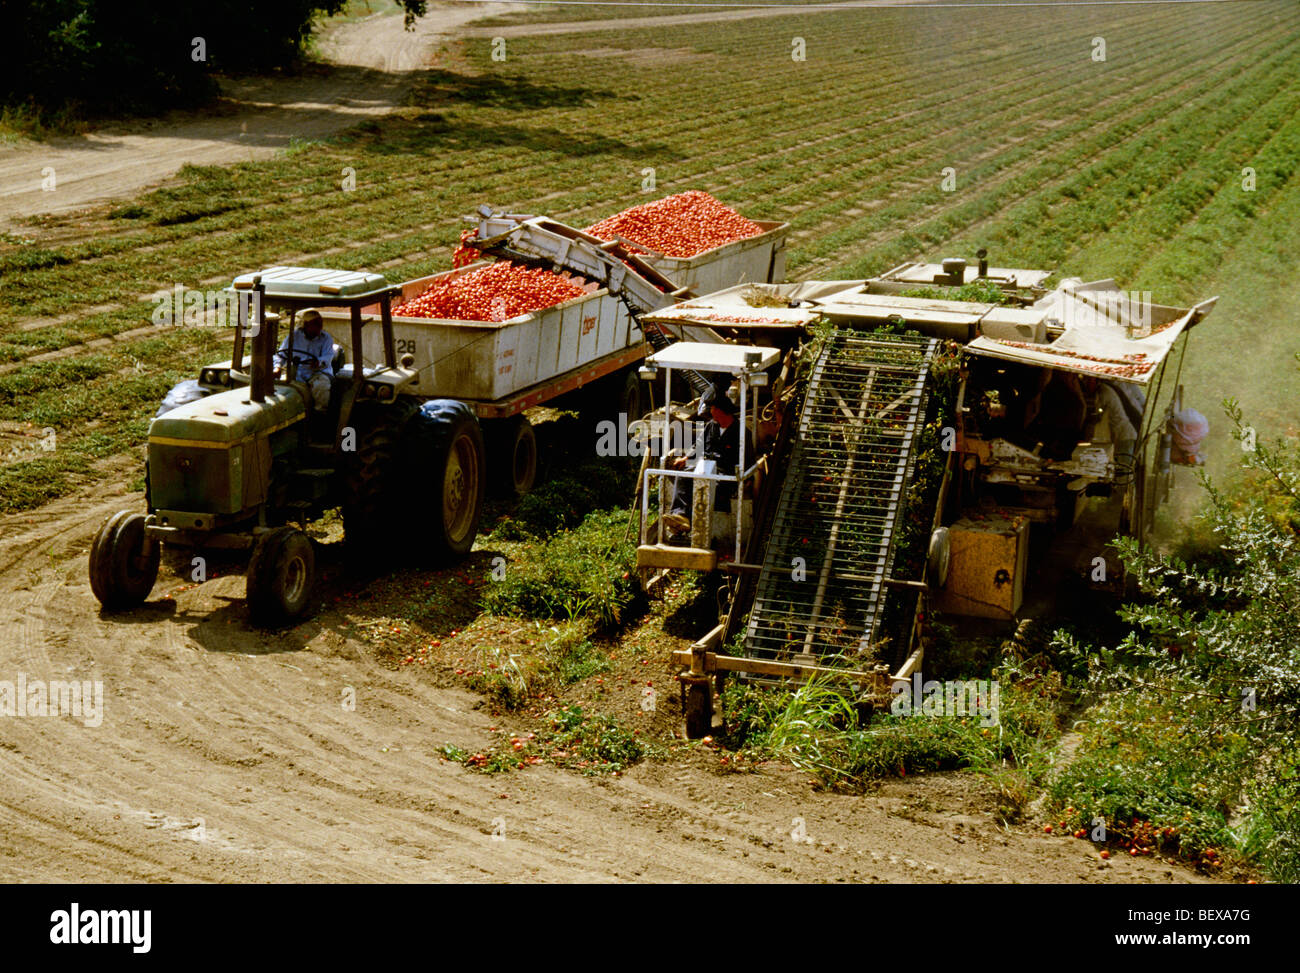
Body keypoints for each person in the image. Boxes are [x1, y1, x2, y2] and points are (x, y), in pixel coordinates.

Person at [661, 385, 750, 539]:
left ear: (722, 411)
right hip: (705, 468)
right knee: (683, 475)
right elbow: (699, 445)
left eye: (713, 409)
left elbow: (748, 461)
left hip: (725, 477)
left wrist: (744, 478)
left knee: (702, 484)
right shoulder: (712, 426)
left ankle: (686, 524)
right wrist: (686, 458)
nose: (711, 413)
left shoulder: (741, 432)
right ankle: (679, 515)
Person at [275, 310, 335, 411]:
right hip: (297, 372)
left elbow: (328, 356)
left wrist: (318, 361)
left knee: (321, 386)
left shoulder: (326, 338)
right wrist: (277, 367)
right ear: (306, 325)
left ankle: (320, 413)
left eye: (320, 324)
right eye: (316, 324)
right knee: (279, 387)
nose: (319, 326)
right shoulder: (294, 336)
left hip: (317, 373)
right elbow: (281, 354)